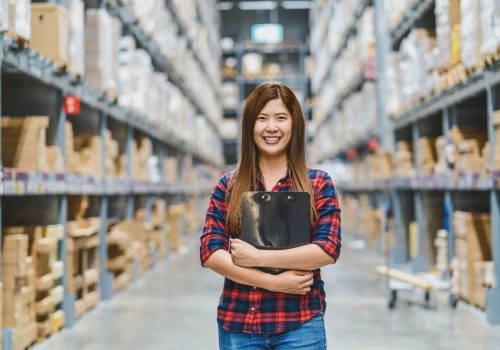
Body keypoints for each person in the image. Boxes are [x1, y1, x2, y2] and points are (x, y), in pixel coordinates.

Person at [200, 83, 341, 349]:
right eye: (262, 118)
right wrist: (275, 282)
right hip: (239, 324)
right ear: (250, 126)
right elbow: (210, 252)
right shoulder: (227, 185)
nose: (271, 127)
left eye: (281, 118)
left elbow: (327, 249)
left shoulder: (318, 183)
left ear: (294, 125)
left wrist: (257, 257)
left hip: (299, 323)